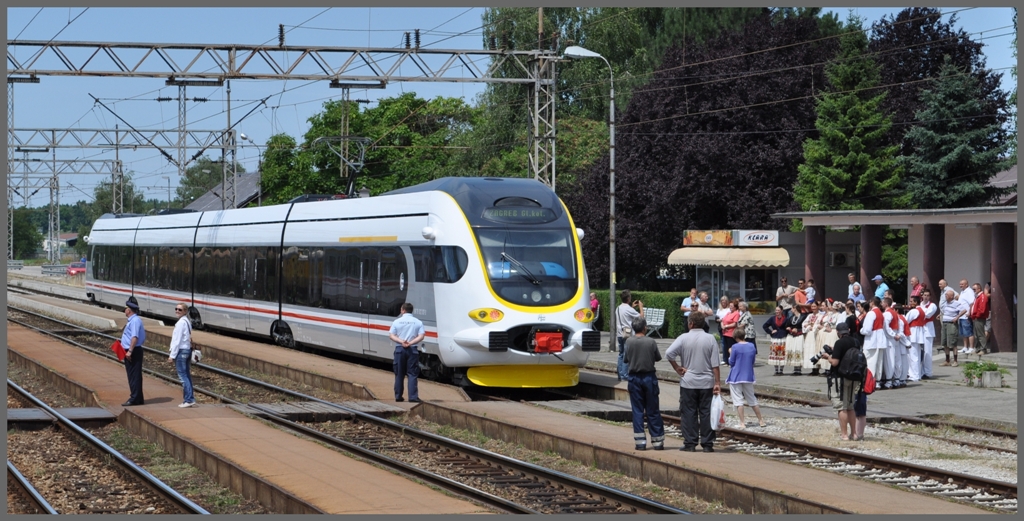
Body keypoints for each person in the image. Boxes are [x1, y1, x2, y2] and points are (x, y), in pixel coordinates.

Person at [665, 312, 721, 453]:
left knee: (688, 412)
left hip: (688, 382)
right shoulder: (710, 339)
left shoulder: (683, 338)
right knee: (706, 412)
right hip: (707, 383)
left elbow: (669, 353)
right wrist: (718, 382)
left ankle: (690, 443)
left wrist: (677, 367)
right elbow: (715, 364)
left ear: (690, 323)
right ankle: (707, 444)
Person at [623, 316, 665, 451]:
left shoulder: (629, 341)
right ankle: (658, 442)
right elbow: (658, 358)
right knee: (653, 410)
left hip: (634, 378)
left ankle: (640, 443)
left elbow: (625, 359)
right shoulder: (651, 341)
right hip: (649, 377)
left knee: (637, 411)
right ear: (644, 327)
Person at [825, 322, 859, 440]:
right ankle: (854, 434)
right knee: (850, 407)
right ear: (848, 330)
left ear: (837, 332)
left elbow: (835, 362)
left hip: (840, 377)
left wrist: (828, 357)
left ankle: (844, 435)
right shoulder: (855, 341)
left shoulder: (839, 342)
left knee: (842, 407)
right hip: (853, 377)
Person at [726, 329, 765, 429]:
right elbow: (752, 361)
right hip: (748, 376)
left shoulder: (734, 347)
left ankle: (742, 423)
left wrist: (730, 353)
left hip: (736, 376)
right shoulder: (751, 346)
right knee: (752, 398)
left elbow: (731, 362)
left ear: (735, 337)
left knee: (738, 400)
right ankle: (761, 420)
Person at [389, 303, 426, 402]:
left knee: (399, 374)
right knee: (412, 374)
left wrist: (402, 342)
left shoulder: (396, 322)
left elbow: (391, 335)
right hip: (412, 350)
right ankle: (413, 397)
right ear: (411, 310)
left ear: (403, 310)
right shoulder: (418, 322)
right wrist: (410, 343)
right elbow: (421, 336)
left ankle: (398, 396)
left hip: (399, 350)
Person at [168, 302, 197, 408]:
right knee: (187, 375)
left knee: (183, 376)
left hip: (181, 351)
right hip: (187, 350)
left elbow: (177, 340)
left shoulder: (181, 323)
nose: (177, 311)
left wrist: (172, 355)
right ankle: (190, 398)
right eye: (176, 309)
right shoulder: (187, 321)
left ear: (185, 311)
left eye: (180, 310)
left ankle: (188, 399)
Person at [121, 298, 147, 406]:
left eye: (126, 308)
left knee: (133, 375)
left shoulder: (135, 321)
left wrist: (130, 351)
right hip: (131, 350)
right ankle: (138, 398)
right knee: (134, 374)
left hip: (133, 351)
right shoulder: (133, 320)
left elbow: (134, 337)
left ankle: (134, 398)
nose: (125, 310)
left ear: (129, 310)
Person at [615, 290, 644, 381]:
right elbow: (641, 317)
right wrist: (641, 307)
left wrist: (632, 307)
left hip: (619, 333)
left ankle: (620, 374)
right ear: (628, 298)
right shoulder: (628, 309)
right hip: (627, 333)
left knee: (621, 354)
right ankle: (624, 375)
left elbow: (625, 314)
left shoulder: (618, 308)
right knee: (626, 354)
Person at [859, 297, 887, 385]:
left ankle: (870, 382)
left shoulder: (871, 313)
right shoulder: (881, 313)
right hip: (880, 339)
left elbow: (867, 329)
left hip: (872, 340)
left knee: (870, 361)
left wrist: (861, 330)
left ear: (872, 303)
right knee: (879, 361)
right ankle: (877, 382)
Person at [939, 288, 965, 367]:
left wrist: (957, 317)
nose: (945, 296)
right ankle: (947, 360)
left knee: (953, 343)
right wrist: (940, 315)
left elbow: (964, 310)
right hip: (945, 323)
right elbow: (946, 311)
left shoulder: (956, 303)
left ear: (951, 296)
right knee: (945, 343)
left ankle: (955, 360)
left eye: (947, 295)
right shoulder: (946, 303)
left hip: (951, 324)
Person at [785, 303, 810, 376]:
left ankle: (799, 369)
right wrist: (789, 328)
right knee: (793, 350)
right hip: (792, 336)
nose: (791, 310)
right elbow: (787, 325)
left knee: (798, 350)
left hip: (799, 336)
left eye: (792, 308)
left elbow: (805, 326)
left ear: (795, 308)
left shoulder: (803, 317)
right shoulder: (791, 318)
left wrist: (798, 330)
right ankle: (795, 369)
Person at [764, 306, 790, 375]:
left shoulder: (786, 319)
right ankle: (776, 370)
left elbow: (789, 326)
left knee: (782, 354)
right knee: (775, 354)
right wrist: (770, 332)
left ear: (781, 311)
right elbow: (765, 326)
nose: (777, 312)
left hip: (783, 338)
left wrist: (786, 332)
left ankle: (781, 370)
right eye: (776, 310)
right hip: (775, 338)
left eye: (778, 310)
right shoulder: (772, 318)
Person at [801, 302, 822, 376]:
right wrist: (808, 326)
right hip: (809, 334)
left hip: (815, 334)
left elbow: (819, 324)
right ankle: (812, 368)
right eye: (812, 306)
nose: (813, 308)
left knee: (815, 350)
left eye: (814, 306)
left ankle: (816, 368)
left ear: (818, 307)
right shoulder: (809, 315)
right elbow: (804, 323)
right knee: (809, 350)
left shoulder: (820, 315)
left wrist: (813, 326)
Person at [969, 282, 989, 356]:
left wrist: (976, 316)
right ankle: (977, 348)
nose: (973, 290)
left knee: (980, 334)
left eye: (974, 289)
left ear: (979, 289)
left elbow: (982, 309)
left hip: (979, 318)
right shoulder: (977, 297)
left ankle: (983, 349)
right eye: (973, 289)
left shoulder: (982, 296)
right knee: (977, 334)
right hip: (976, 318)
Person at [720, 299, 740, 366]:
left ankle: (732, 361)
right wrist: (722, 326)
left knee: (730, 348)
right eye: (730, 306)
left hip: (731, 334)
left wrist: (726, 326)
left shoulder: (736, 313)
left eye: (732, 306)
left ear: (735, 307)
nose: (730, 307)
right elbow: (723, 320)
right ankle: (726, 361)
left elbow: (734, 324)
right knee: (725, 348)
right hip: (725, 333)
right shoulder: (728, 313)